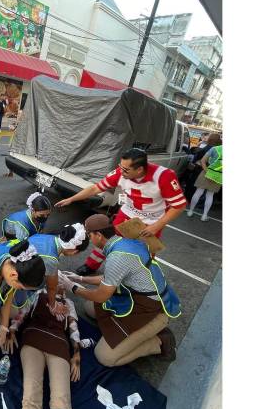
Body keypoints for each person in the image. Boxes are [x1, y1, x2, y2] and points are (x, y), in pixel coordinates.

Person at [58, 214, 180, 366]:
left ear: (99, 235)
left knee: (105, 357)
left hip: (151, 308)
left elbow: (102, 296)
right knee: (90, 308)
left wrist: (72, 287)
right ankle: (132, 333)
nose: (89, 240)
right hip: (136, 295)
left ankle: (159, 341)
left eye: (89, 235)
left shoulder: (118, 257)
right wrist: (80, 278)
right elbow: (111, 278)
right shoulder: (125, 242)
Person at [55, 148, 186, 276]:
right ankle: (91, 265)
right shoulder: (121, 172)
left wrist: (157, 226)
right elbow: (95, 188)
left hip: (152, 220)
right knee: (107, 240)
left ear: (139, 169)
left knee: (146, 252)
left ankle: (139, 277)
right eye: (120, 166)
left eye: (125, 169)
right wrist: (71, 199)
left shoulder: (164, 176)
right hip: (127, 213)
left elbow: (179, 206)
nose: (121, 171)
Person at [5, 286, 93, 409]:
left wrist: (76, 354)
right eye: (56, 280)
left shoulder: (68, 303)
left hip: (59, 345)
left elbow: (73, 328)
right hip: (34, 339)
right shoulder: (38, 294)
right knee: (31, 395)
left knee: (62, 401)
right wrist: (12, 330)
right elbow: (23, 312)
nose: (60, 283)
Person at [11, 223, 90, 322]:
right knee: (16, 311)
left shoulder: (47, 237)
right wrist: (53, 305)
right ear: (75, 251)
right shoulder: (52, 259)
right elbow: (51, 287)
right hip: (17, 281)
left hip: (13, 265)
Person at [187, 143, 222, 221]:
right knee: (210, 195)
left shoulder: (215, 148)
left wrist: (207, 171)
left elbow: (203, 161)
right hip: (218, 176)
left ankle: (190, 211)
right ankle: (204, 215)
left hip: (206, 172)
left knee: (198, 192)